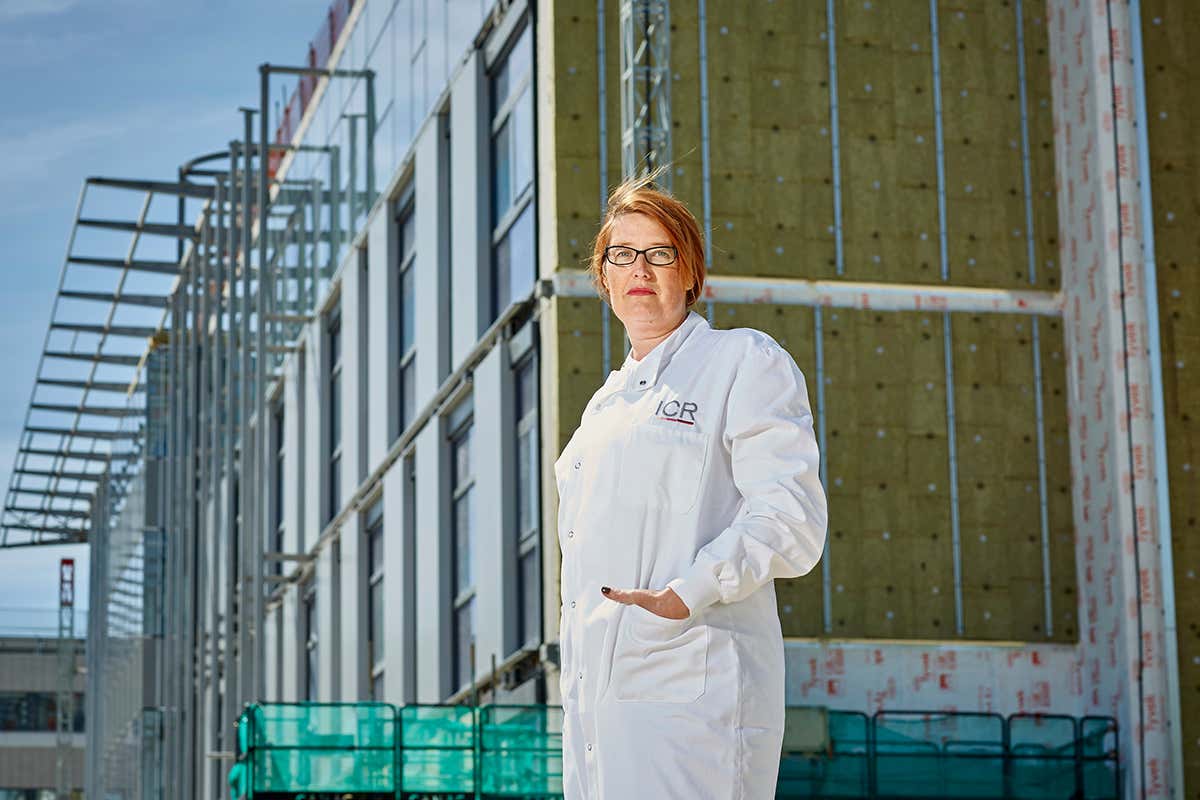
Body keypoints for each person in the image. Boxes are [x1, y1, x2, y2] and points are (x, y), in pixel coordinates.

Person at [554, 172, 829, 799]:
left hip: (694, 692)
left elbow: (792, 521)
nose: (640, 268)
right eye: (621, 254)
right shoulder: (601, 411)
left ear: (690, 272)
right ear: (604, 276)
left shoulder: (741, 362)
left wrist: (687, 592)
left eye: (660, 252)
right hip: (597, 713)